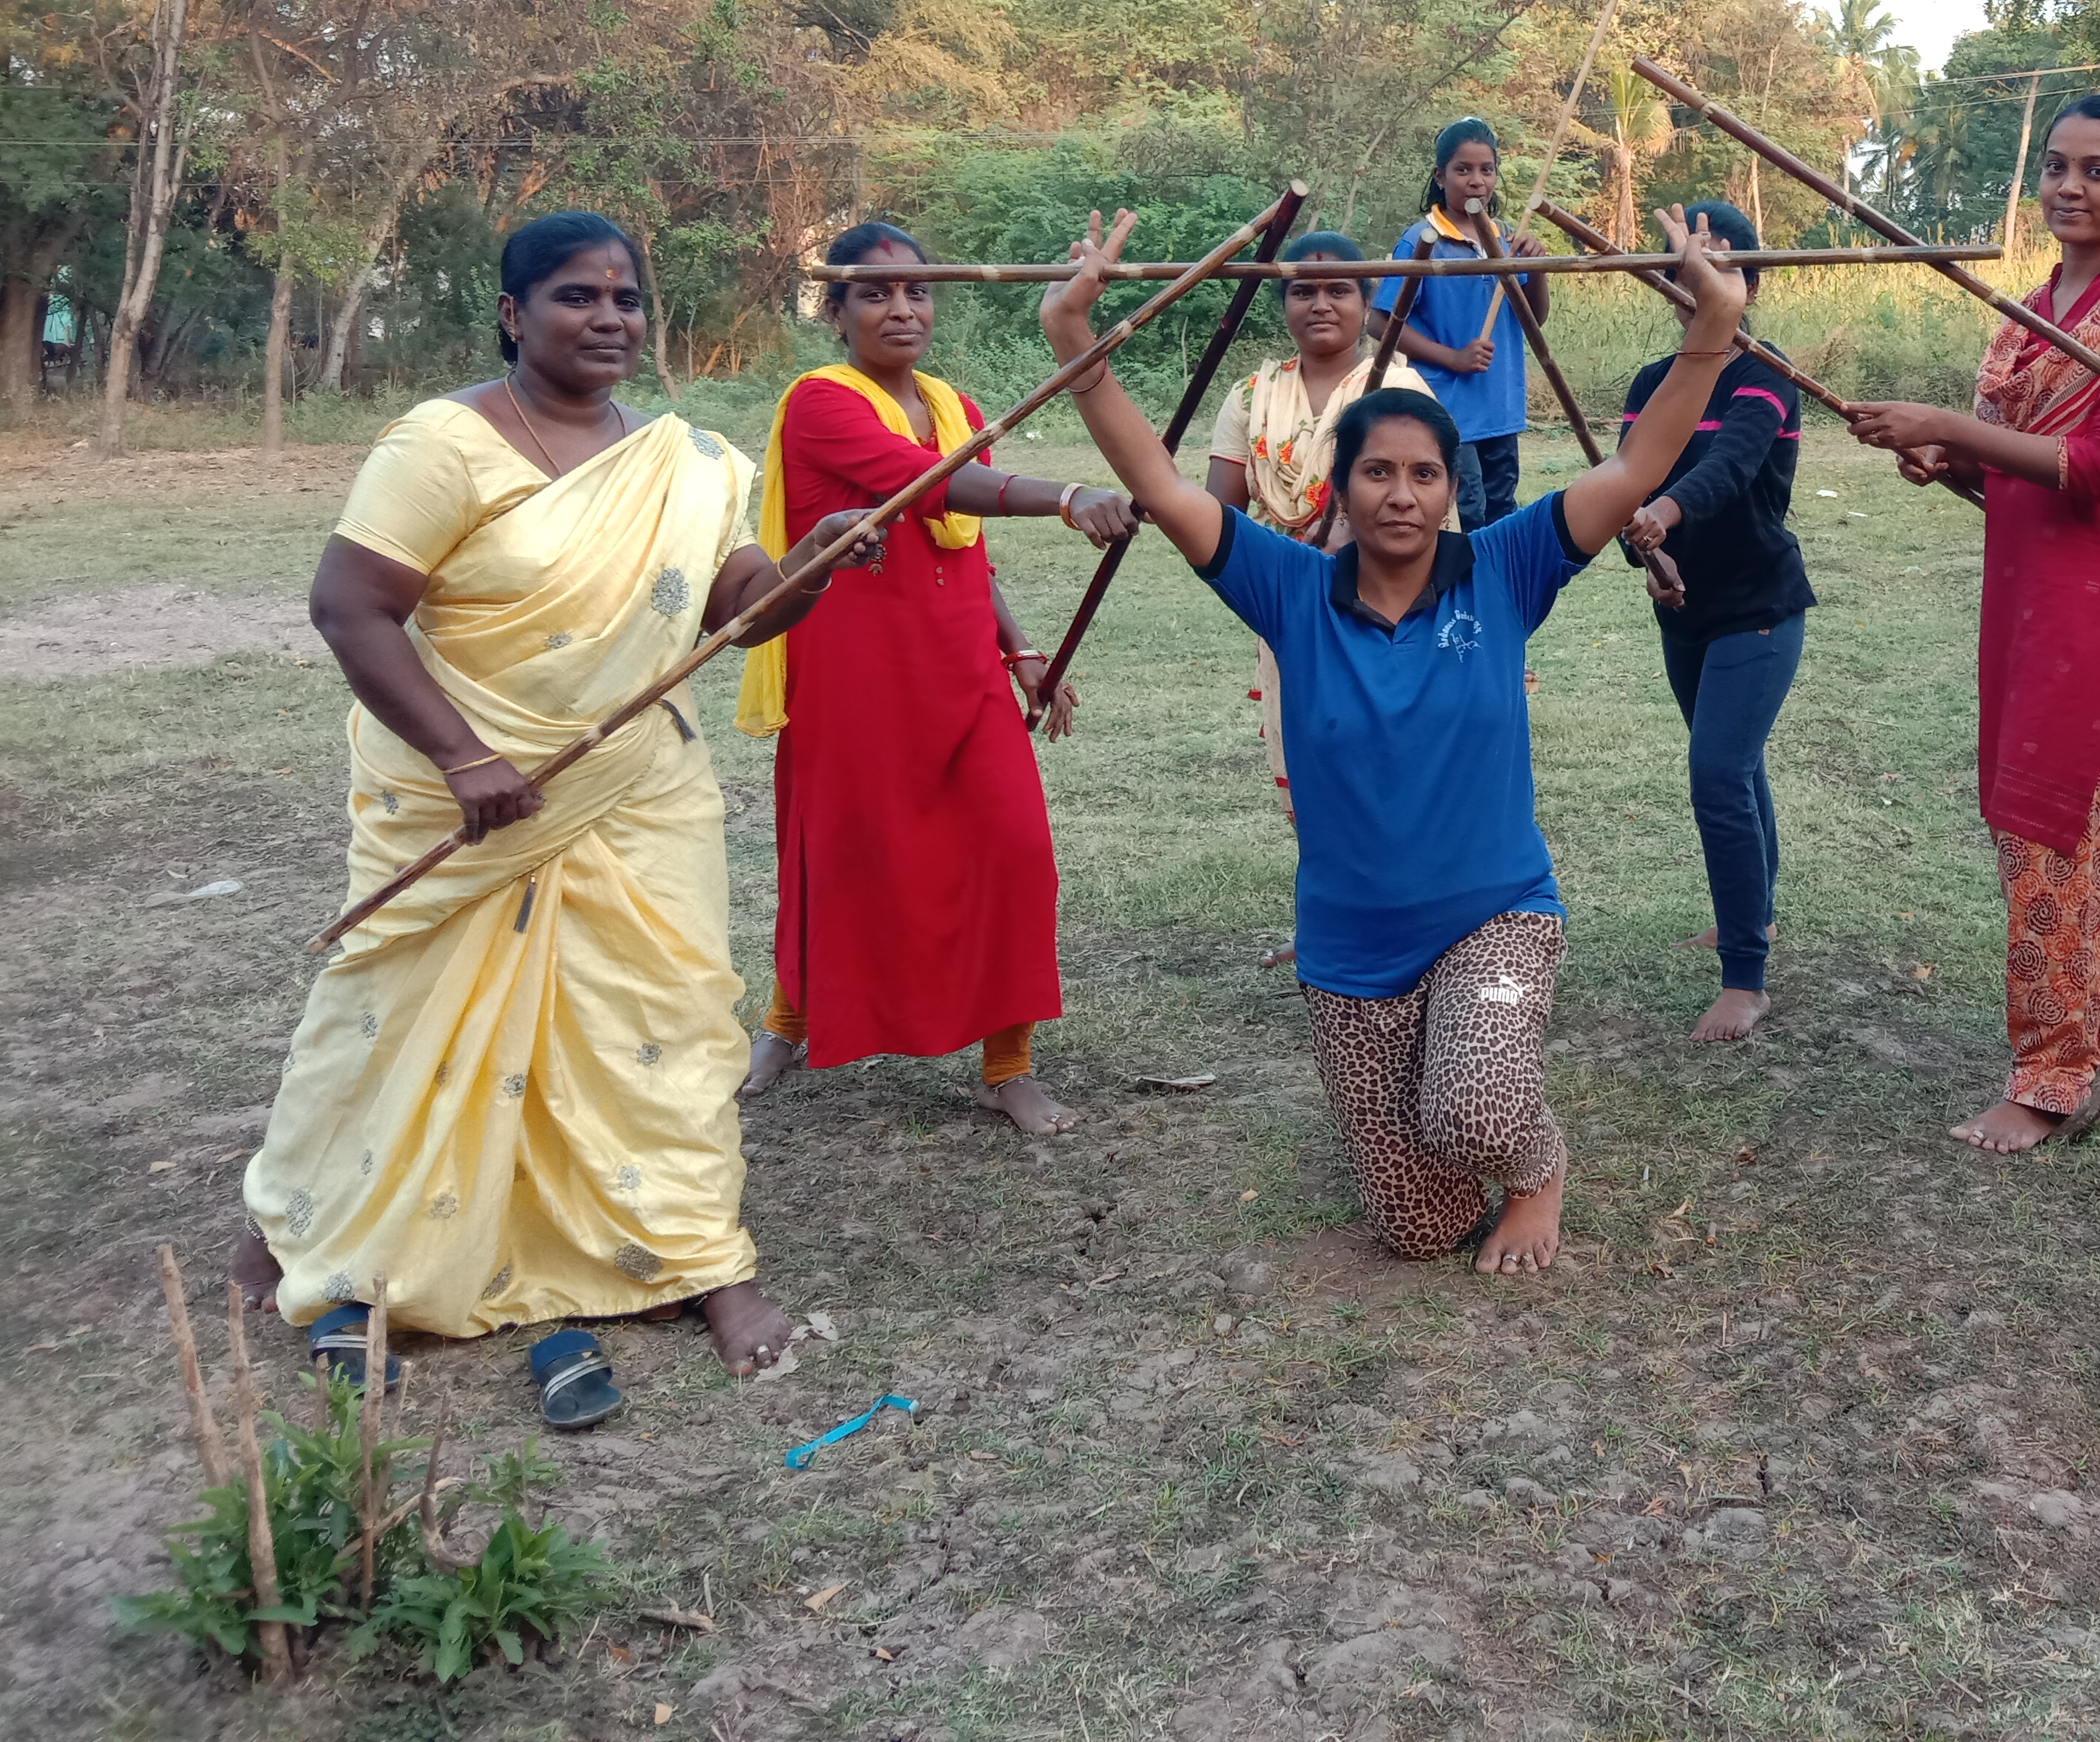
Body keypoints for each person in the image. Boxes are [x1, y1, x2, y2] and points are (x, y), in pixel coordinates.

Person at [1038, 202, 1752, 1274]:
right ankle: (1448, 1082)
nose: (1402, 495)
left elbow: (1636, 466)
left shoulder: (1508, 570)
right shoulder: (1289, 590)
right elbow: (1164, 486)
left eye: (1424, 474)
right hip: (1351, 954)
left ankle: (1536, 1157)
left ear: (1448, 487)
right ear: (1344, 489)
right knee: (1416, 1231)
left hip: (1497, 920)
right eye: (1378, 473)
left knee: (1474, 1117)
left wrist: (1714, 325)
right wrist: (1075, 345)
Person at [233, 213, 862, 1417]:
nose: (611, 319)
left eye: (627, 299)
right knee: (397, 1018)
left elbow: (736, 609)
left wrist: (814, 560)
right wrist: (467, 760)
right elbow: (350, 606)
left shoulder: (685, 464)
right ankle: (315, 1230)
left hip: (634, 795)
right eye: (578, 297)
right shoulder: (443, 446)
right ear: (514, 313)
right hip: (463, 805)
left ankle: (695, 1260)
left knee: (667, 1021)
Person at [1843, 96, 2100, 1155]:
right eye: (2059, 169)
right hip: (2033, 593)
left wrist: (1951, 425)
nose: (2072, 188)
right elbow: (2019, 459)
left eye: (2099, 171)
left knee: (2063, 826)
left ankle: (2053, 1075)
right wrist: (1955, 454)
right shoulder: (2036, 306)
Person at [734, 221, 1139, 1135]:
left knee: (1014, 854)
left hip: (962, 675)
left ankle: (1009, 1065)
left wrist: (1022, 652)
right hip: (854, 679)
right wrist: (1069, 497)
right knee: (833, 853)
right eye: (874, 293)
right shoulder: (820, 405)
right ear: (834, 313)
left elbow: (970, 549)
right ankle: (788, 1021)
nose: (902, 308)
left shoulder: (955, 404)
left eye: (916, 290)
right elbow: (933, 488)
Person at [1615, 200, 1814, 1043]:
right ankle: (1752, 917)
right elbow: (1623, 491)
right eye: (1685, 262)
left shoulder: (1767, 375)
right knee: (1735, 767)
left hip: (1758, 611)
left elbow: (1730, 470)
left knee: (1716, 774)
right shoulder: (1645, 387)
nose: (1696, 275)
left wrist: (1661, 511)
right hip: (1683, 612)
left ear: (1747, 281)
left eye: (1720, 261)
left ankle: (1745, 978)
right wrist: (1644, 549)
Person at [1204, 227, 1440, 835]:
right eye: (1302, 291)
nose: (1320, 304)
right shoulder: (1249, 396)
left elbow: (1429, 507)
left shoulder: (1399, 390)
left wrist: (1353, 544)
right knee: (1314, 758)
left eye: (1339, 290)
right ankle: (1332, 919)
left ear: (1366, 303)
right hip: (1293, 606)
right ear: (1283, 304)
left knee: (1392, 758)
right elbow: (1218, 516)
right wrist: (1288, 567)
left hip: (1388, 607)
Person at [1371, 118, 1550, 529]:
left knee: (1503, 507)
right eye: (1463, 170)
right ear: (1440, 176)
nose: (1476, 181)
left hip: (1500, 403)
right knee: (1465, 508)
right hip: (1447, 406)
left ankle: (1499, 588)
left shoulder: (1507, 239)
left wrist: (1536, 266)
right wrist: (1451, 357)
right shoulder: (1422, 240)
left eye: (1486, 170)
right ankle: (1460, 588)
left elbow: (1533, 318)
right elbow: (1381, 324)